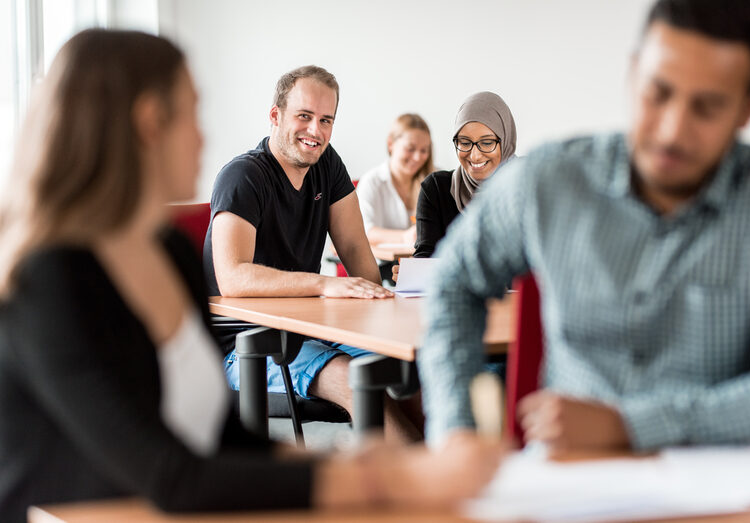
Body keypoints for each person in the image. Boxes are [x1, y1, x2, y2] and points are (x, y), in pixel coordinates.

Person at [0, 29, 505, 522]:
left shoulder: (168, 253)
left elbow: (227, 439)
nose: (202, 135)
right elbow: (171, 475)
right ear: (148, 124)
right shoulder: (50, 280)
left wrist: (389, 474)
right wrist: (384, 482)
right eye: (191, 114)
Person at [419, 0, 750, 453]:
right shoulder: (551, 180)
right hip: (569, 480)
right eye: (658, 93)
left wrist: (631, 426)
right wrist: (456, 426)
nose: (672, 131)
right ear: (633, 75)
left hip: (730, 488)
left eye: (707, 108)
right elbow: (453, 282)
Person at [203, 66, 423, 442]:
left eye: (326, 120)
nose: (316, 131)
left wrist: (380, 312)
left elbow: (354, 247)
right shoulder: (243, 177)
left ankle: (445, 476)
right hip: (243, 345)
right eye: (304, 116)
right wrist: (324, 285)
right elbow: (233, 276)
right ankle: (425, 486)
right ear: (275, 116)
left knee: (413, 362)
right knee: (355, 379)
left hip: (310, 329)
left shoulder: (327, 165)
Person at [414, 91, 516, 259]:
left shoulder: (527, 186)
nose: (475, 155)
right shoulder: (436, 189)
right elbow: (426, 258)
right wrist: (414, 272)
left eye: (487, 142)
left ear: (505, 140)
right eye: (464, 142)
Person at [357, 114, 433, 281]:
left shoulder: (434, 181)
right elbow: (364, 231)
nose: (417, 157)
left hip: (423, 269)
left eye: (424, 150)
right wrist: (405, 236)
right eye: (410, 148)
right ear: (391, 144)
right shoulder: (373, 182)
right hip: (381, 271)